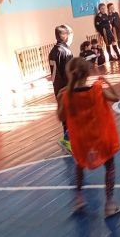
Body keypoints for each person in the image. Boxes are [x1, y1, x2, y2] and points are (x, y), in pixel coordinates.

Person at [57, 58, 120, 217]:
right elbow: (116, 98)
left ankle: (79, 199)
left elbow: (61, 117)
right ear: (87, 73)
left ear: (69, 74)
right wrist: (107, 82)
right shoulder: (98, 89)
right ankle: (109, 204)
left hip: (81, 141)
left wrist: (59, 99)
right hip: (101, 138)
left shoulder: (66, 95)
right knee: (110, 166)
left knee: (80, 164)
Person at [48, 24, 74, 152]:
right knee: (71, 115)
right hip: (66, 88)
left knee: (65, 114)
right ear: (64, 36)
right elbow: (70, 73)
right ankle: (68, 140)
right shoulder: (66, 52)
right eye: (69, 34)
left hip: (57, 88)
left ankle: (67, 139)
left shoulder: (52, 51)